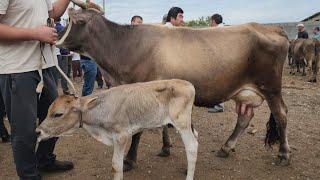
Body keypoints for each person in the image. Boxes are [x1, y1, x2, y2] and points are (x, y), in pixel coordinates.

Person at [0, 0, 74, 179]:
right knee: (24, 130)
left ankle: (44, 159)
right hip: (17, 69)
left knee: (57, 117)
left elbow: (52, 14)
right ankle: (28, 175)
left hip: (44, 66)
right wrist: (34, 33)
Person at [208, 13, 225, 113]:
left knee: (219, 83)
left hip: (220, 61)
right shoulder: (224, 28)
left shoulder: (217, 31)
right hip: (224, 60)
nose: (210, 23)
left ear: (214, 21)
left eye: (211, 21)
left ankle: (219, 106)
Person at [55, 18, 71, 95]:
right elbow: (66, 41)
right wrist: (66, 52)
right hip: (63, 53)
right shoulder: (62, 28)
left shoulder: (53, 28)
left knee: (54, 73)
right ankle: (65, 89)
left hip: (55, 53)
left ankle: (54, 90)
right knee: (64, 72)